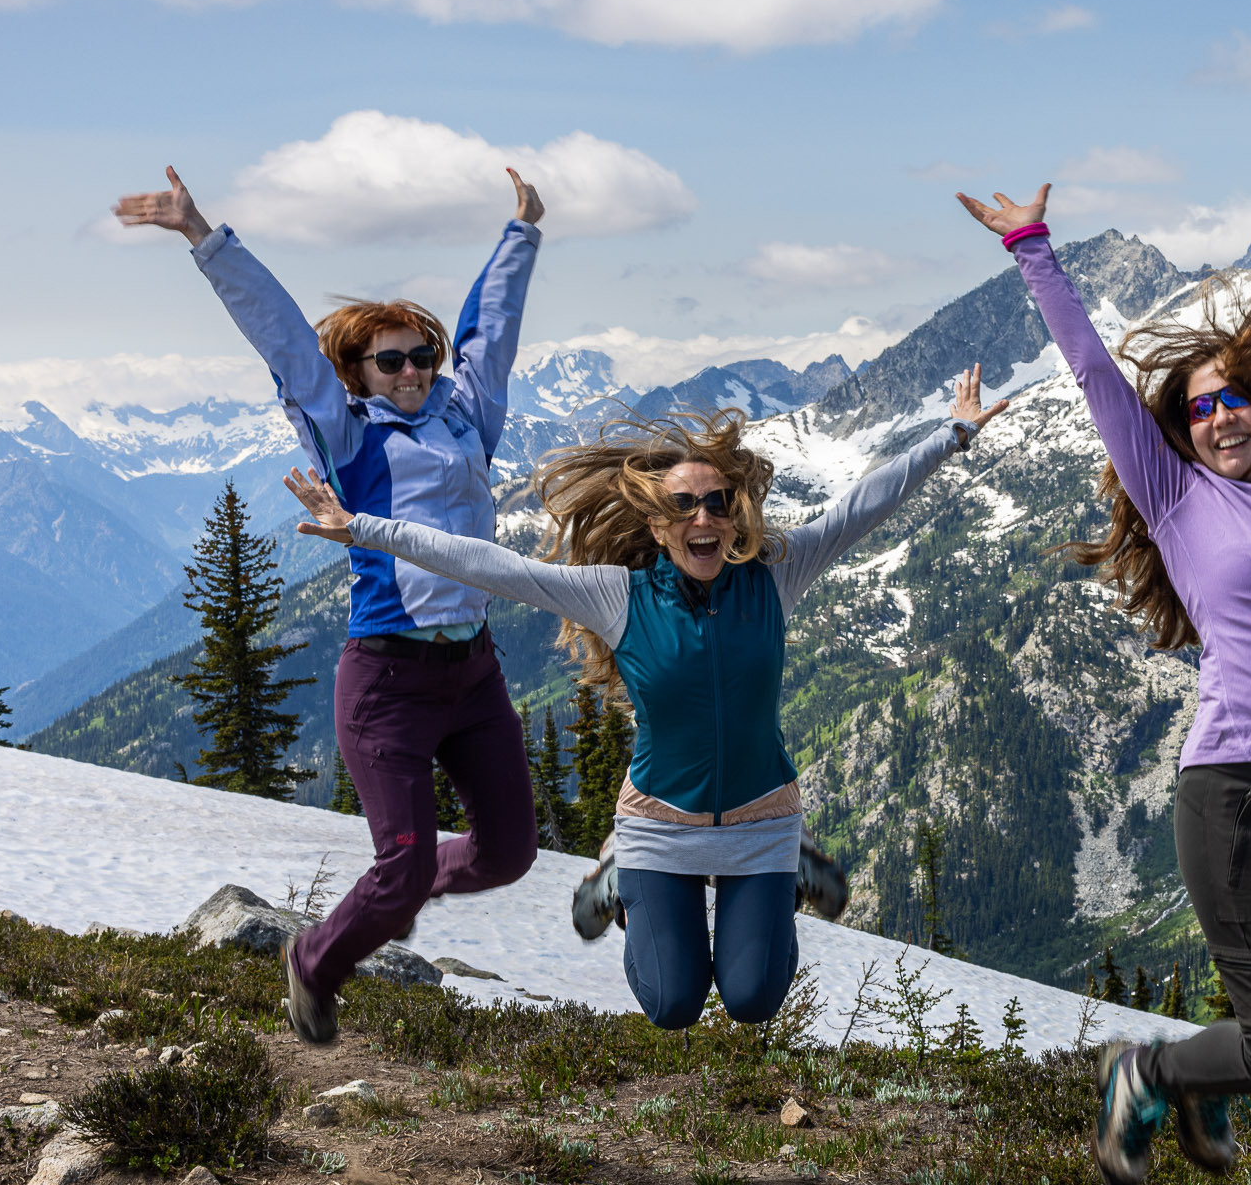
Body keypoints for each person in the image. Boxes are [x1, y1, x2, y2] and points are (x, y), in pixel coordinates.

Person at [282, 371, 1008, 1028]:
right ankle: (620, 872)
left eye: (717, 503)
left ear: (735, 515)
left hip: (762, 823)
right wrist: (365, 530)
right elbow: (489, 565)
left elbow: (863, 506)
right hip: (659, 826)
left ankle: (786, 878)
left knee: (753, 999)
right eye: (683, 506)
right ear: (659, 526)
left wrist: (953, 436)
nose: (703, 518)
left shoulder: (775, 577)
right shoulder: (618, 596)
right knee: (673, 1004)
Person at [956, 110, 1251, 1185]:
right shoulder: (1175, 498)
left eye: (1232, 396)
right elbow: (1098, 379)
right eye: (1197, 408)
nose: (1214, 418)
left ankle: (1195, 1088)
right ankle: (1142, 1072)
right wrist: (1033, 254)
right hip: (1239, 797)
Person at [113, 165, 546, 1046]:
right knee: (402, 863)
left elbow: (490, 334)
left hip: (473, 673)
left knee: (508, 853)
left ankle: (400, 893)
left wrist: (523, 232)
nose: (415, 369)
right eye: (392, 359)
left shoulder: (468, 420)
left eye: (423, 355)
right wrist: (207, 238)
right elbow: (282, 341)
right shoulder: (345, 434)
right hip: (388, 677)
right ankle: (315, 961)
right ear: (357, 371)